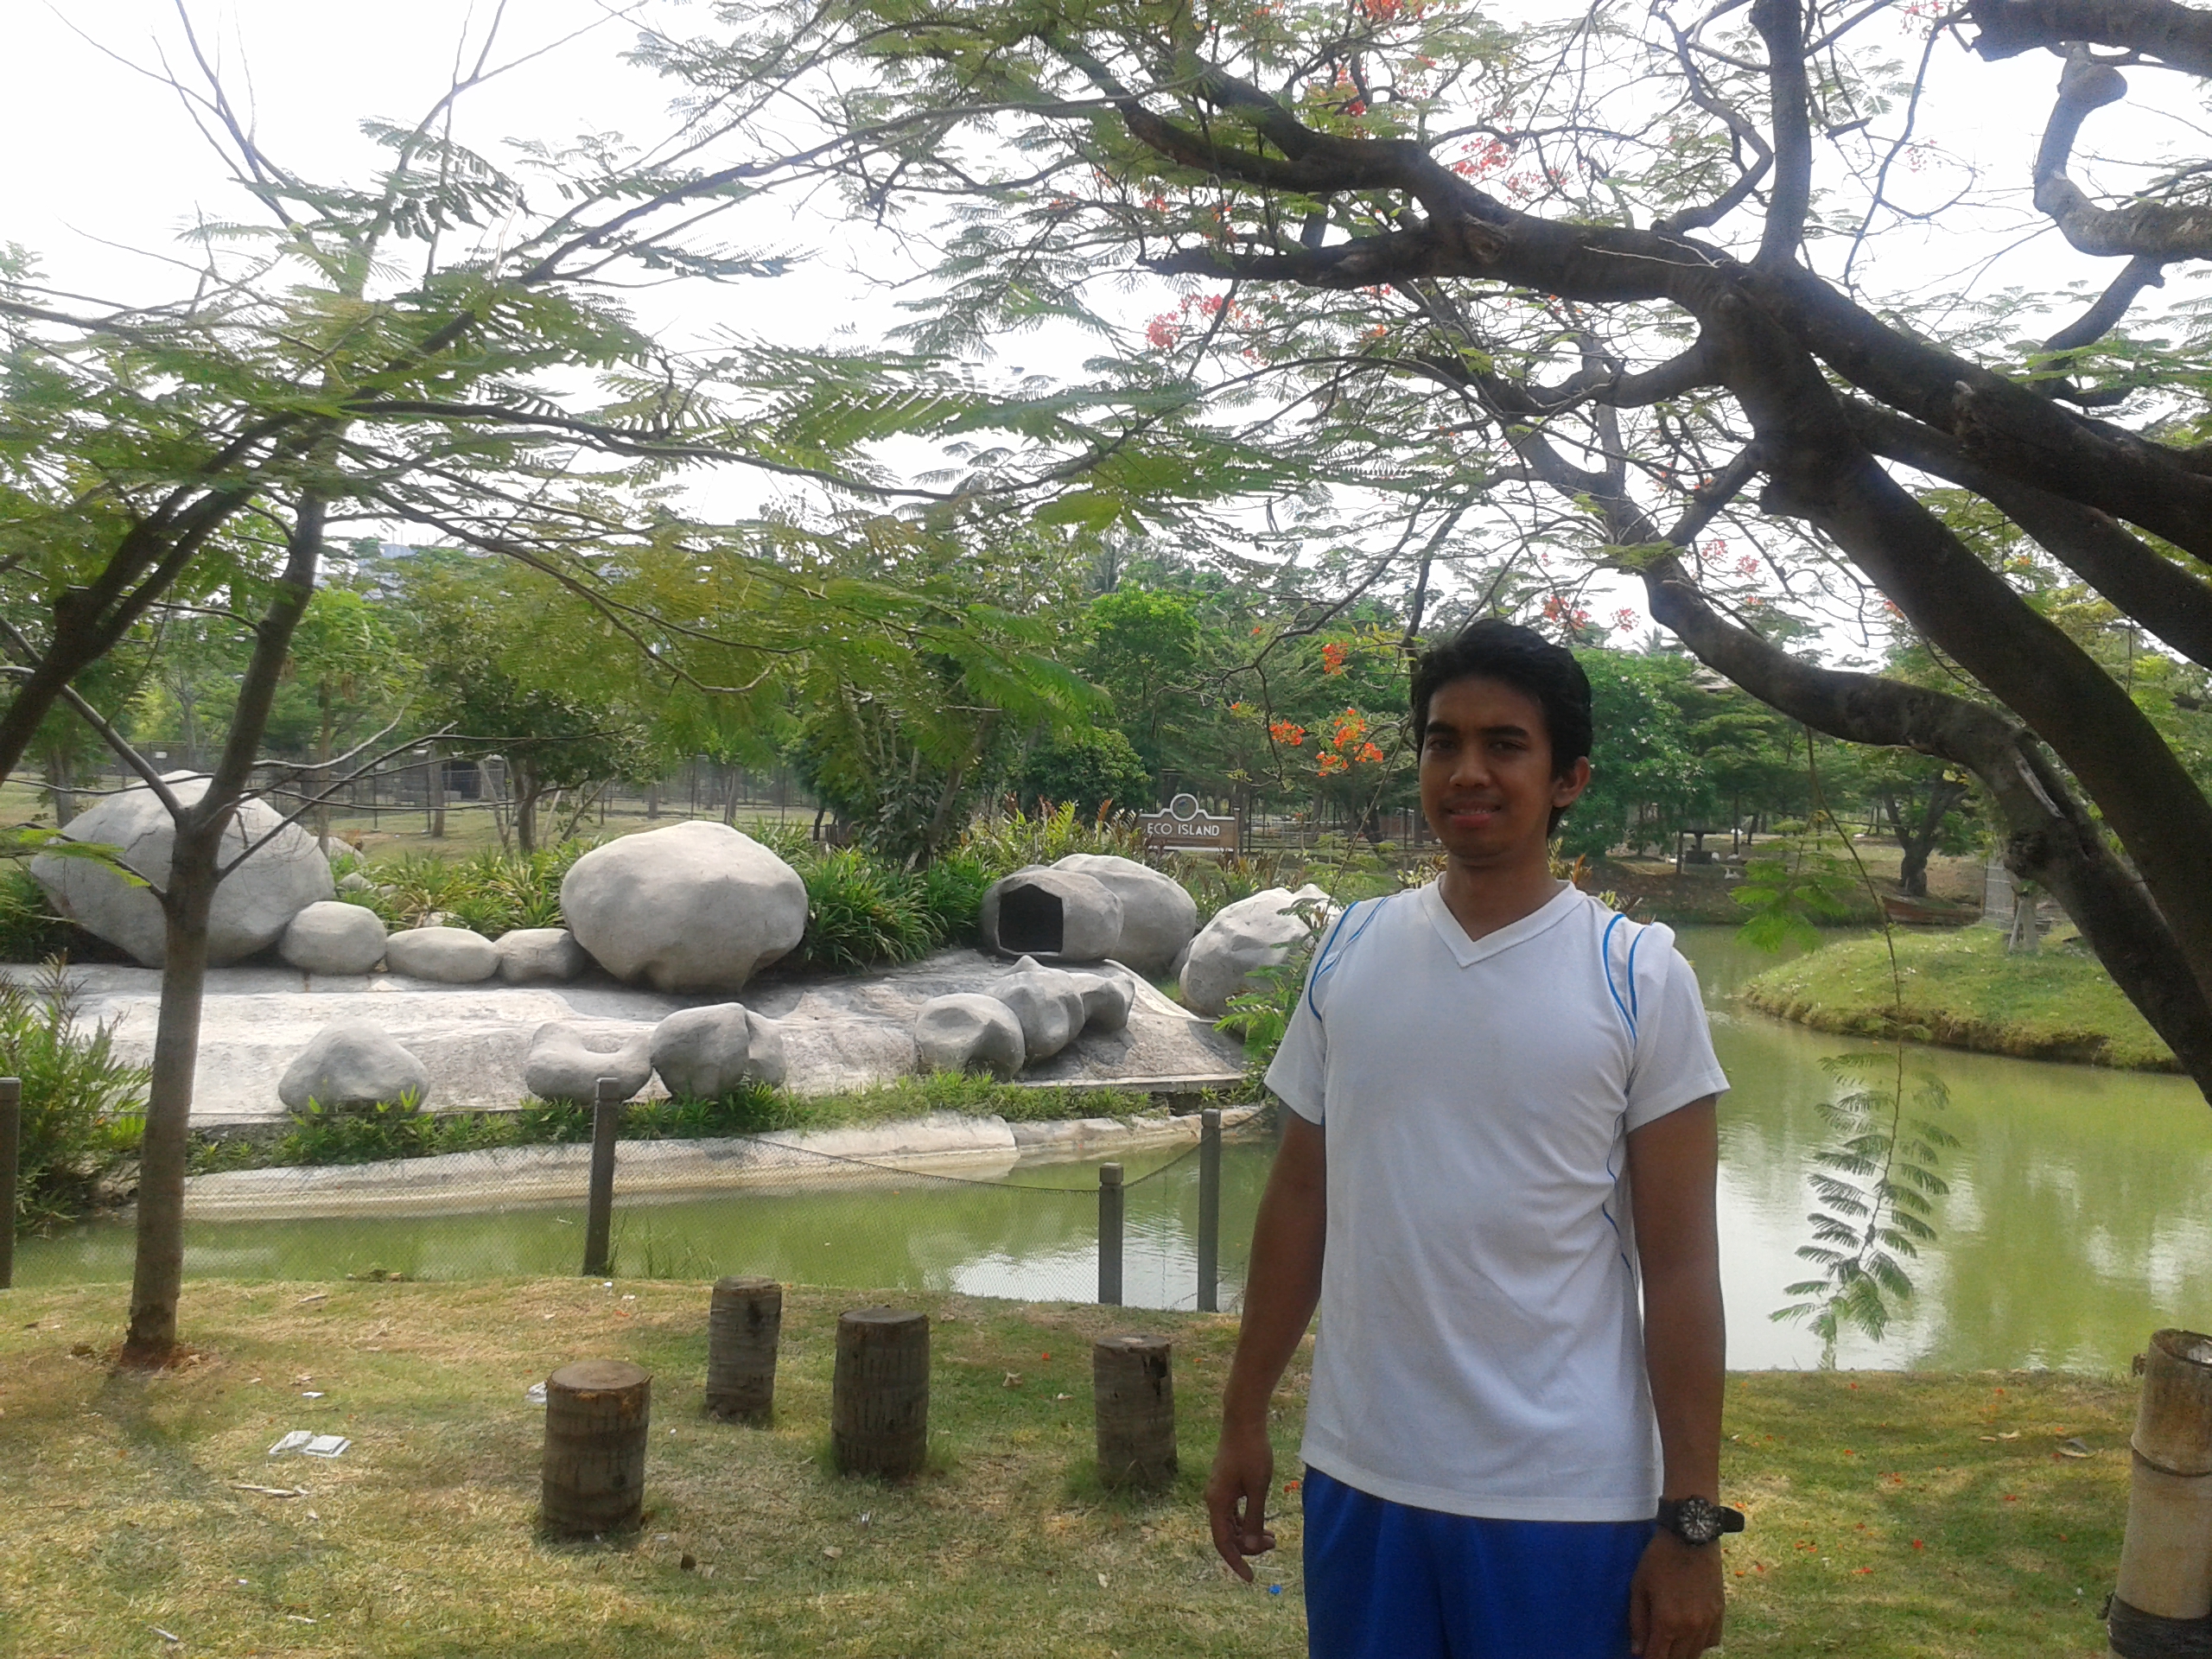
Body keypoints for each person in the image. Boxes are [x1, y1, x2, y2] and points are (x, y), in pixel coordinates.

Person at [1204, 618, 1735, 1659]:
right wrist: (1242, 1415)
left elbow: (1680, 1268)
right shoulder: (1350, 949)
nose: (1468, 772)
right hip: (1363, 1474)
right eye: (1442, 742)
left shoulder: (1638, 976)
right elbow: (1301, 1200)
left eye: (1505, 744)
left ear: (1567, 778)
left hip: (1562, 1498)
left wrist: (1690, 1524)